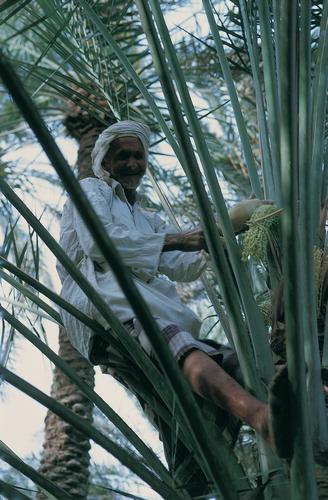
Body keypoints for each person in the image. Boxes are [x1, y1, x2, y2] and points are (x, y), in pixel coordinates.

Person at [57, 120, 289, 495]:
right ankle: (260, 418)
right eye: (123, 156)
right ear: (104, 160)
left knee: (221, 374)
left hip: (144, 309)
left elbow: (185, 264)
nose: (132, 163)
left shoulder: (146, 217)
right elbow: (100, 242)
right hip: (106, 310)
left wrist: (229, 231)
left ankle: (203, 479)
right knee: (180, 346)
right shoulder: (91, 191)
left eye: (138, 156)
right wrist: (182, 237)